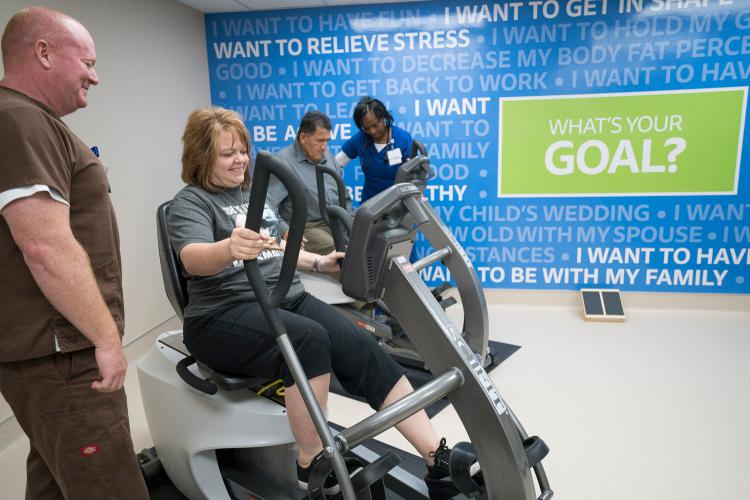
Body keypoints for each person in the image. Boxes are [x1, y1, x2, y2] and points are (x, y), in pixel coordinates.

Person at [167, 107, 462, 498]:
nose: (240, 159)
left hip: (281, 297)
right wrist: (227, 248)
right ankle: (312, 465)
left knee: (361, 345)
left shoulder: (249, 195)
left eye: (243, 150)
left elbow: (275, 249)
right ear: (202, 156)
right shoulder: (190, 202)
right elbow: (191, 257)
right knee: (309, 340)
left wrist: (320, 262)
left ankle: (435, 457)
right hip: (221, 313)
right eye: (228, 153)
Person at [0, 7, 148, 500]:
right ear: (43, 52)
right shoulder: (20, 119)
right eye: (86, 61)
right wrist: (105, 338)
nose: (95, 76)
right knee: (109, 485)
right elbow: (44, 245)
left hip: (54, 348)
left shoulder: (29, 120)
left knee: (57, 479)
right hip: (64, 350)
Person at [269, 110, 351, 257]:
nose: (325, 147)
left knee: (368, 242)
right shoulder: (282, 163)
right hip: (307, 227)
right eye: (320, 141)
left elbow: (344, 196)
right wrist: (285, 231)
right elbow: (267, 206)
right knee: (342, 254)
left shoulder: (328, 157)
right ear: (303, 137)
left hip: (336, 221)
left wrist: (351, 222)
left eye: (327, 141)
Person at [335, 96, 415, 203]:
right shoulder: (360, 139)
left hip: (399, 204)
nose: (372, 131)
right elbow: (336, 163)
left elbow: (414, 175)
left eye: (375, 125)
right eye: (366, 128)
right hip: (371, 206)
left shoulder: (403, 139)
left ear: (384, 118)